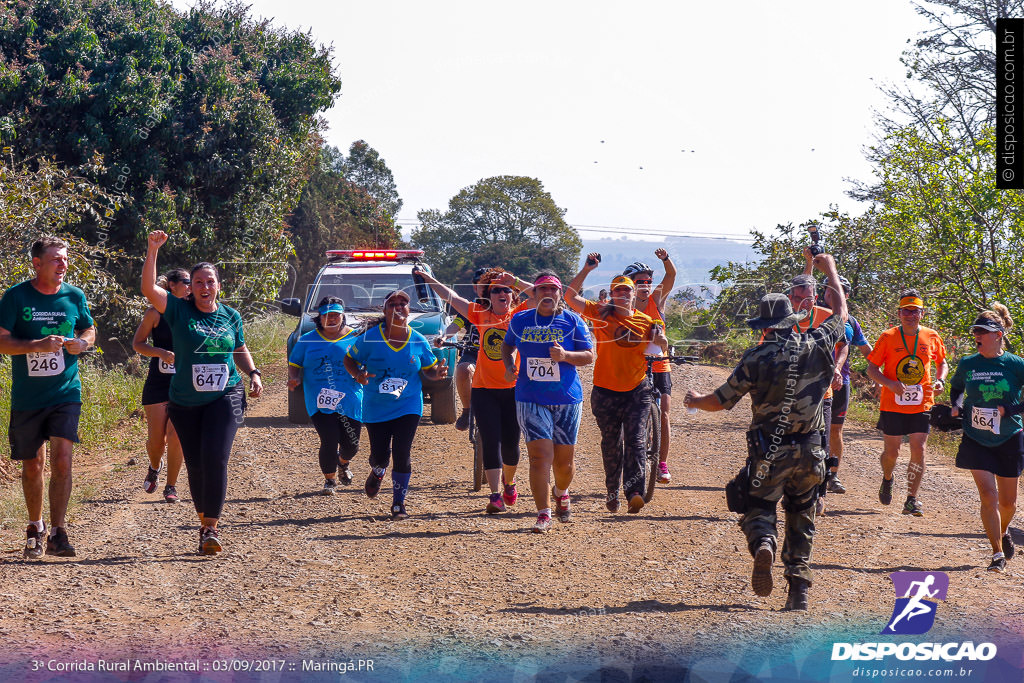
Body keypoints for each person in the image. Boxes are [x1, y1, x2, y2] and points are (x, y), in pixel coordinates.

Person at [684, 252, 847, 611]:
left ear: (764, 327)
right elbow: (841, 316)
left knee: (758, 507)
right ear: (792, 320)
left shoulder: (755, 358)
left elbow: (722, 401)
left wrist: (695, 400)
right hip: (811, 450)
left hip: (768, 453)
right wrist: (830, 269)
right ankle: (799, 592)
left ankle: (764, 544)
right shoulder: (818, 344)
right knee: (803, 515)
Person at [142, 230, 264, 555]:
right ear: (190, 287)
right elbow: (147, 289)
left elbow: (239, 348)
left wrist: (252, 373)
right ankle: (203, 524)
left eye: (210, 282)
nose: (205, 287)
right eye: (199, 282)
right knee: (195, 464)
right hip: (184, 401)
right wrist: (153, 249)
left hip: (225, 395)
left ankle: (211, 527)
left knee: (216, 458)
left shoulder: (230, 315)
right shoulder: (178, 311)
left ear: (218, 285)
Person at [0, 236, 96, 558]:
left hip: (66, 391)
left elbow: (89, 330)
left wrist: (82, 344)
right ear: (36, 264)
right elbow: (2, 342)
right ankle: (35, 526)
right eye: (56, 259)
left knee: (62, 460)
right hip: (28, 396)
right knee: (33, 465)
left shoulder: (74, 296)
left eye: (65, 259)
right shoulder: (15, 297)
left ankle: (58, 531)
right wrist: (35, 347)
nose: (63, 265)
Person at [418, 267, 530, 513]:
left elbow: (545, 296)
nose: (502, 293)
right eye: (495, 290)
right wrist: (429, 279)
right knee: (491, 441)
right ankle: (494, 496)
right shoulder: (479, 314)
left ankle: (509, 482)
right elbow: (450, 297)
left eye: (506, 290)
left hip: (513, 389)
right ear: (488, 297)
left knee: (511, 445)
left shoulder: (520, 315)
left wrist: (517, 281)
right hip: (484, 389)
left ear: (512, 295)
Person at [566, 254, 668, 514]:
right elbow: (569, 297)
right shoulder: (601, 314)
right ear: (612, 294)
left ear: (635, 295)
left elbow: (660, 347)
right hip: (605, 391)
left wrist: (662, 340)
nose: (623, 293)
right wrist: (586, 269)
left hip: (637, 390)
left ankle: (634, 491)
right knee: (611, 442)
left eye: (627, 290)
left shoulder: (647, 322)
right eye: (618, 290)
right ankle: (612, 490)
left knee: (635, 440)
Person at [344, 289, 449, 520]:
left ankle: (398, 503)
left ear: (409, 310)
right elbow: (349, 359)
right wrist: (358, 375)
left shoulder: (418, 340)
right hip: (376, 406)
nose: (398, 307)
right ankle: (378, 470)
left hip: (408, 404)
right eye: (393, 304)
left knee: (403, 452)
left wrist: (438, 373)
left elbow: (429, 369)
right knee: (380, 456)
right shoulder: (370, 338)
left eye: (403, 303)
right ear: (385, 310)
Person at [502, 271, 594, 532]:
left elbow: (589, 356)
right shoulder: (520, 320)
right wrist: (509, 365)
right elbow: (507, 346)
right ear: (534, 293)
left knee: (563, 464)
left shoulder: (573, 321)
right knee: (539, 457)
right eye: (542, 289)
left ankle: (561, 491)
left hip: (566, 398)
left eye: (553, 289)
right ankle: (543, 513)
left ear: (558, 294)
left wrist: (564, 355)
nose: (548, 294)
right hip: (530, 397)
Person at [949, 304, 1024, 572]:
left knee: (1008, 503)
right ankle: (996, 553)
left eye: (983, 331)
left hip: (1009, 436)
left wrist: (1010, 410)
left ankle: (1003, 531)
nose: (977, 336)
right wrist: (956, 405)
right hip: (976, 437)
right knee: (988, 496)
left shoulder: (1016, 365)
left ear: (998, 334)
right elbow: (957, 387)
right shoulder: (969, 362)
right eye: (975, 332)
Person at [867, 290, 948, 517]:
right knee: (892, 453)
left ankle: (912, 499)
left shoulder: (931, 336)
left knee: (918, 449)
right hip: (892, 403)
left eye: (915, 311)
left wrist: (941, 380)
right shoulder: (888, 336)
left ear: (922, 314)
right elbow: (872, 369)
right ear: (899, 313)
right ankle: (887, 477)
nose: (910, 315)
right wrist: (889, 384)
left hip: (921, 403)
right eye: (906, 311)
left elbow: (943, 363)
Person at [288, 296, 364, 494]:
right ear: (319, 318)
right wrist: (294, 378)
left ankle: (342, 462)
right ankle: (329, 480)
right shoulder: (306, 341)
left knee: (352, 445)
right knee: (329, 440)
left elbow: (368, 361)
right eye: (326, 316)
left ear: (343, 316)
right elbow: (294, 364)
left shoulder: (356, 337)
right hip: (320, 400)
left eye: (335, 315)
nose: (331, 319)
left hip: (351, 400)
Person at [132, 268, 191, 503]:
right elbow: (138, 343)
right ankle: (155, 466)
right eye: (187, 281)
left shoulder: (195, 312)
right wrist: (159, 353)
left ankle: (171, 485)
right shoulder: (155, 314)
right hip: (158, 381)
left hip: (185, 382)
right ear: (171, 286)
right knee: (157, 440)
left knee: (176, 435)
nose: (191, 286)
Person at [623, 248, 677, 485]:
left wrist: (666, 260)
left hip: (660, 364)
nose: (645, 285)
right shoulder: (626, 307)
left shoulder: (656, 299)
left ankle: (662, 462)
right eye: (639, 282)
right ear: (631, 285)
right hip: (634, 364)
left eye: (648, 281)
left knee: (664, 412)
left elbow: (671, 277)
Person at [826, 276, 872, 494]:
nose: (832, 294)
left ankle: (832, 474)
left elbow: (867, 351)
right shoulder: (814, 315)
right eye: (829, 290)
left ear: (846, 295)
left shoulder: (851, 322)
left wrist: (889, 373)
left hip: (840, 382)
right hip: (813, 382)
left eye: (838, 291)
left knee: (836, 430)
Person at [443, 267, 489, 431]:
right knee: (462, 369)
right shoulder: (471, 308)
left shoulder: (506, 306)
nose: (484, 288)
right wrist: (444, 336)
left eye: (489, 284)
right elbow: (456, 325)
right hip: (472, 353)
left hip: (499, 357)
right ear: (475, 288)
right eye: (480, 285)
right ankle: (467, 411)